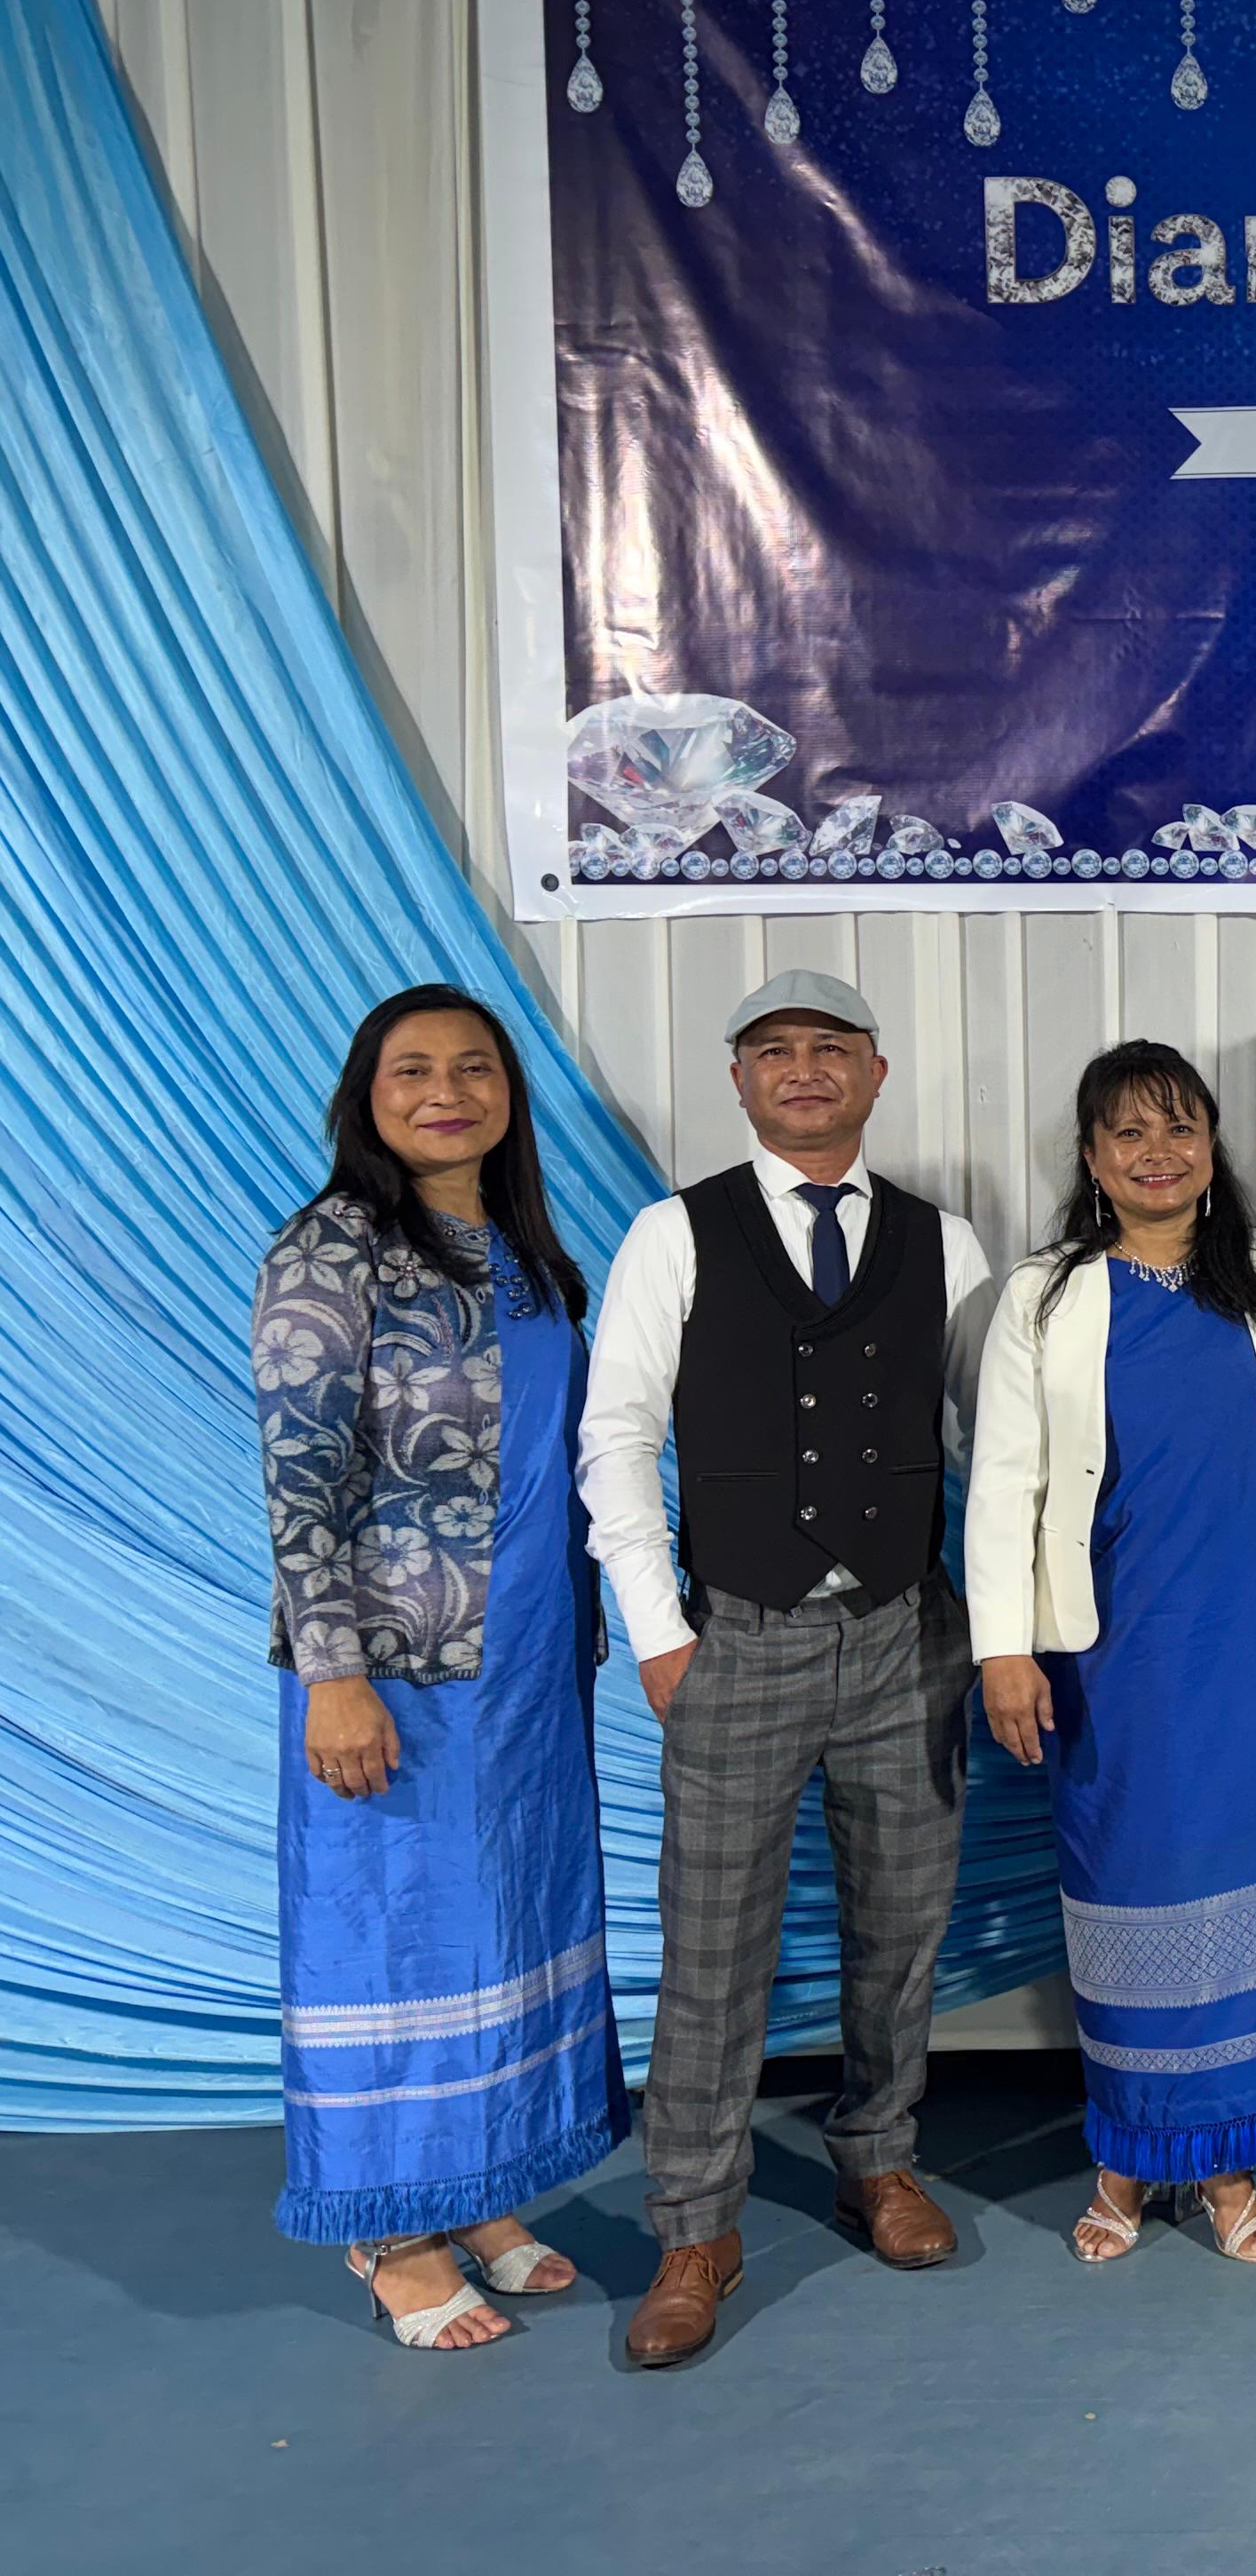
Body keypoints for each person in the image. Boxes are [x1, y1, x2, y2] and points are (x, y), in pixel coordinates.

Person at [580, 971, 996, 2366]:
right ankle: (695, 2226)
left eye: (829, 1048)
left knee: (902, 1923)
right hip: (738, 1636)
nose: (803, 1069)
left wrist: (1005, 1621)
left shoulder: (947, 1242)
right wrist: (660, 1633)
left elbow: (996, 1448)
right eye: (774, 1050)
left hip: (905, 1632)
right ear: (739, 1080)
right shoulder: (671, 1234)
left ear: (875, 1073)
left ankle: (880, 2158)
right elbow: (617, 1435)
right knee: (713, 1945)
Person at [254, 985, 626, 2350]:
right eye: (412, 1070)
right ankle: (391, 2233)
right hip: (396, 1670)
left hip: (526, 1665)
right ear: (367, 1097)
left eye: (475, 1068)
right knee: (390, 1939)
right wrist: (334, 1677)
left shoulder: (523, 1254)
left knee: (502, 1921)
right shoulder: (332, 1247)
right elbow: (299, 1479)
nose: (446, 1092)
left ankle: (478, 2190)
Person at [967, 1043, 1256, 2266]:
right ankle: (1127, 2158)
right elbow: (1006, 1484)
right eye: (1127, 1133)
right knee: (1127, 1895)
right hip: (1110, 1654)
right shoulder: (1044, 1297)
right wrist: (1002, 1648)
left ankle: (1230, 2168)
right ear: (1090, 1158)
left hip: (1249, 1646)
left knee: (1253, 1893)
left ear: (1213, 1145)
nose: (1157, 1153)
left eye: (1180, 1128)